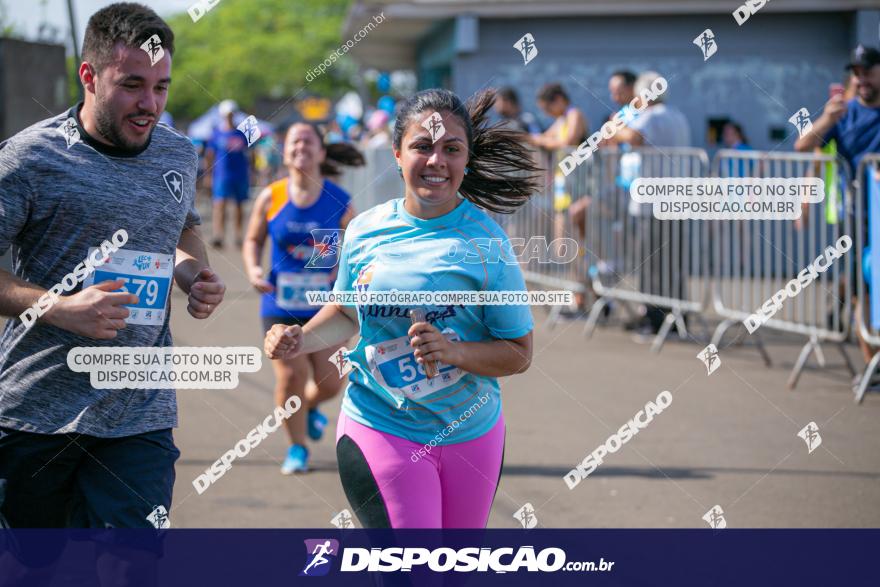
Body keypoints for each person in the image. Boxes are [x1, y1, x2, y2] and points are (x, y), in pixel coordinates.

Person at [0, 1, 225, 579]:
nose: (149, 104)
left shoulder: (177, 152)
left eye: (161, 87)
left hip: (138, 412)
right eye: (132, 85)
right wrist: (60, 308)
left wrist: (190, 272)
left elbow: (183, 226)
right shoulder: (30, 159)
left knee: (132, 567)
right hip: (36, 414)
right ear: (90, 76)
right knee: (34, 569)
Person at [264, 88, 540, 528]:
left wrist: (454, 353)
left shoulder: (488, 244)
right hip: (381, 425)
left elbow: (519, 352)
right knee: (413, 572)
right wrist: (300, 338)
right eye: (422, 147)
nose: (436, 162)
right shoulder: (364, 231)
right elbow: (346, 314)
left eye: (452, 149)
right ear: (396, 153)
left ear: (466, 158)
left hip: (471, 432)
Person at [243, 122, 359, 474]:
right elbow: (252, 240)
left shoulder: (340, 201)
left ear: (322, 153)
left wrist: (340, 274)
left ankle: (307, 409)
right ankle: (297, 448)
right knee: (290, 377)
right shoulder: (271, 196)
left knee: (330, 383)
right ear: (285, 150)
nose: (301, 148)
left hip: (326, 308)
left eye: (309, 142)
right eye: (294, 142)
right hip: (280, 305)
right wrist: (253, 271)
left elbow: (356, 251)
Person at [795, 45, 880, 366]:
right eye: (857, 74)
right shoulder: (843, 114)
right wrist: (826, 119)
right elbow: (804, 147)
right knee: (863, 290)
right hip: (858, 218)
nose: (861, 80)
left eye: (868, 72)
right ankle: (873, 365)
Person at [206, 99, 251, 249]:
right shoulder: (216, 133)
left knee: (239, 205)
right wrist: (208, 175)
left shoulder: (241, 134)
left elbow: (250, 154)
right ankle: (218, 235)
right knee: (219, 205)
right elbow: (210, 155)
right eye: (227, 115)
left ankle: (238, 236)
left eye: (231, 114)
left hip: (240, 174)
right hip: (221, 175)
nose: (229, 117)